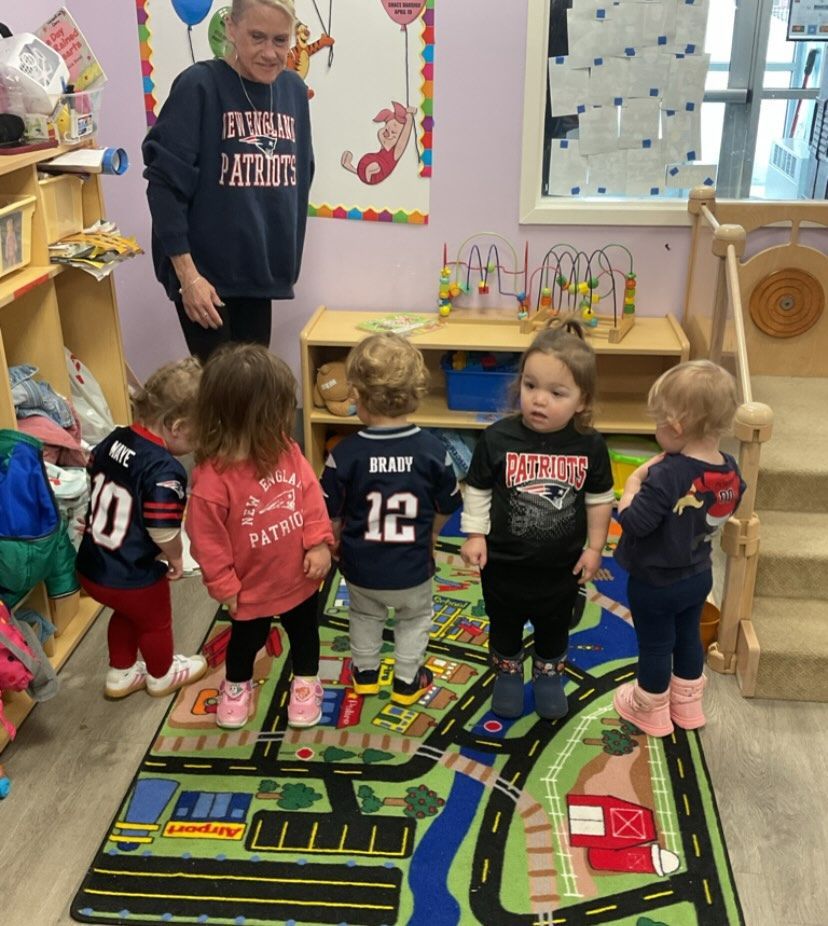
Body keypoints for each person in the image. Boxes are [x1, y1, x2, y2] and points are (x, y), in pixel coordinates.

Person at [142, 0, 313, 362]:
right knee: (223, 395)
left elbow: (301, 173)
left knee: (249, 393)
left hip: (260, 276)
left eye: (280, 41)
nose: (270, 53)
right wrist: (188, 277)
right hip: (204, 278)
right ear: (232, 29)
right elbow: (163, 185)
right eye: (257, 37)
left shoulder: (293, 92)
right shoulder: (199, 86)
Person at [460, 318, 615, 720]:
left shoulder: (590, 445)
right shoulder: (498, 438)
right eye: (530, 386)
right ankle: (508, 675)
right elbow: (476, 488)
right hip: (504, 564)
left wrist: (595, 548)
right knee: (504, 624)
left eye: (556, 392)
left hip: (560, 569)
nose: (539, 400)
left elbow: (599, 499)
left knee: (554, 627)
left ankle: (548, 677)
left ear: (582, 400)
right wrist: (475, 534)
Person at [186, 344, 333, 729]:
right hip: (249, 586)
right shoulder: (212, 479)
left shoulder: (285, 449)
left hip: (297, 574)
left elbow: (310, 493)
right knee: (245, 641)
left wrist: (318, 541)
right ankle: (237, 686)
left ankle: (305, 683)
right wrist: (222, 583)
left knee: (305, 634)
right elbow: (205, 540)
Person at [320, 333, 462, 705]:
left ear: (359, 397)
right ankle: (406, 679)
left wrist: (334, 541)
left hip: (362, 567)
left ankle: (365, 674)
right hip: (412, 568)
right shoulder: (434, 451)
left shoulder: (344, 454)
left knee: (364, 616)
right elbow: (448, 502)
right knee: (414, 619)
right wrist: (430, 534)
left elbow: (330, 511)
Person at [612, 360, 745, 737]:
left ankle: (649, 709)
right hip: (699, 574)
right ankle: (687, 706)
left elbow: (636, 521)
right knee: (687, 635)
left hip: (655, 581)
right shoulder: (731, 468)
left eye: (658, 424)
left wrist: (633, 486)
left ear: (676, 425)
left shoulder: (667, 474)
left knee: (655, 644)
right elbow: (732, 501)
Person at [76, 358, 208, 699]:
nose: (197, 445)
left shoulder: (113, 439)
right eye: (198, 434)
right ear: (177, 426)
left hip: (93, 564)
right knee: (154, 621)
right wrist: (178, 557)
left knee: (125, 614)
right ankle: (162, 675)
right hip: (132, 573)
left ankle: (120, 674)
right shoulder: (164, 469)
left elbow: (95, 478)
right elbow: (162, 529)